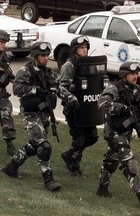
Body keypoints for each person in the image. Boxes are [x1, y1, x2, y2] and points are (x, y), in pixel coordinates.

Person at [2, 41, 78, 191]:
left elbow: (58, 87)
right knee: (44, 146)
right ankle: (48, 179)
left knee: (34, 146)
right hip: (31, 114)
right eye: (43, 55)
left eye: (47, 55)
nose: (46, 58)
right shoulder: (26, 70)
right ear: (35, 56)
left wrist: (70, 98)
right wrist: (35, 90)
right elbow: (17, 88)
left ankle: (11, 167)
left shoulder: (47, 72)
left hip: (44, 114)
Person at [96, 61, 140, 209]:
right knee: (129, 162)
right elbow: (102, 104)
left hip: (126, 132)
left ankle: (102, 188)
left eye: (136, 74)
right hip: (114, 133)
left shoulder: (135, 90)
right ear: (124, 75)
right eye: (132, 74)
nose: (135, 77)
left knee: (112, 160)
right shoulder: (114, 88)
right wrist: (121, 108)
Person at [58, 36, 98, 177]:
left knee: (92, 136)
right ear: (74, 49)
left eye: (86, 47)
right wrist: (77, 89)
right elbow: (62, 87)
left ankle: (70, 154)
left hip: (87, 107)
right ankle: (74, 165)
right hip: (73, 108)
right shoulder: (69, 66)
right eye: (81, 47)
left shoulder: (87, 63)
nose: (84, 50)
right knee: (79, 138)